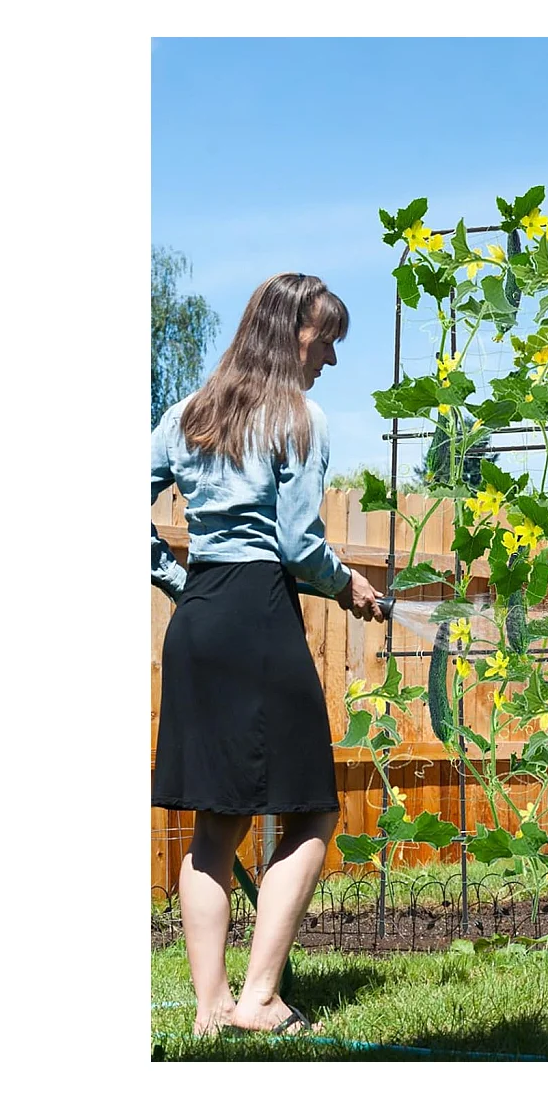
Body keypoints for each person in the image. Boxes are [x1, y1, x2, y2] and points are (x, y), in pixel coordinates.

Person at [150, 272, 384, 1037]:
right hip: (257, 615)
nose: (332, 361)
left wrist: (177, 580)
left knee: (216, 824)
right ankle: (258, 996)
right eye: (327, 341)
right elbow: (296, 546)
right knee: (312, 809)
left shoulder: (185, 413)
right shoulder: (299, 418)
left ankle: (209, 1009)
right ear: (290, 334)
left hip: (200, 617)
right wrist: (348, 584)